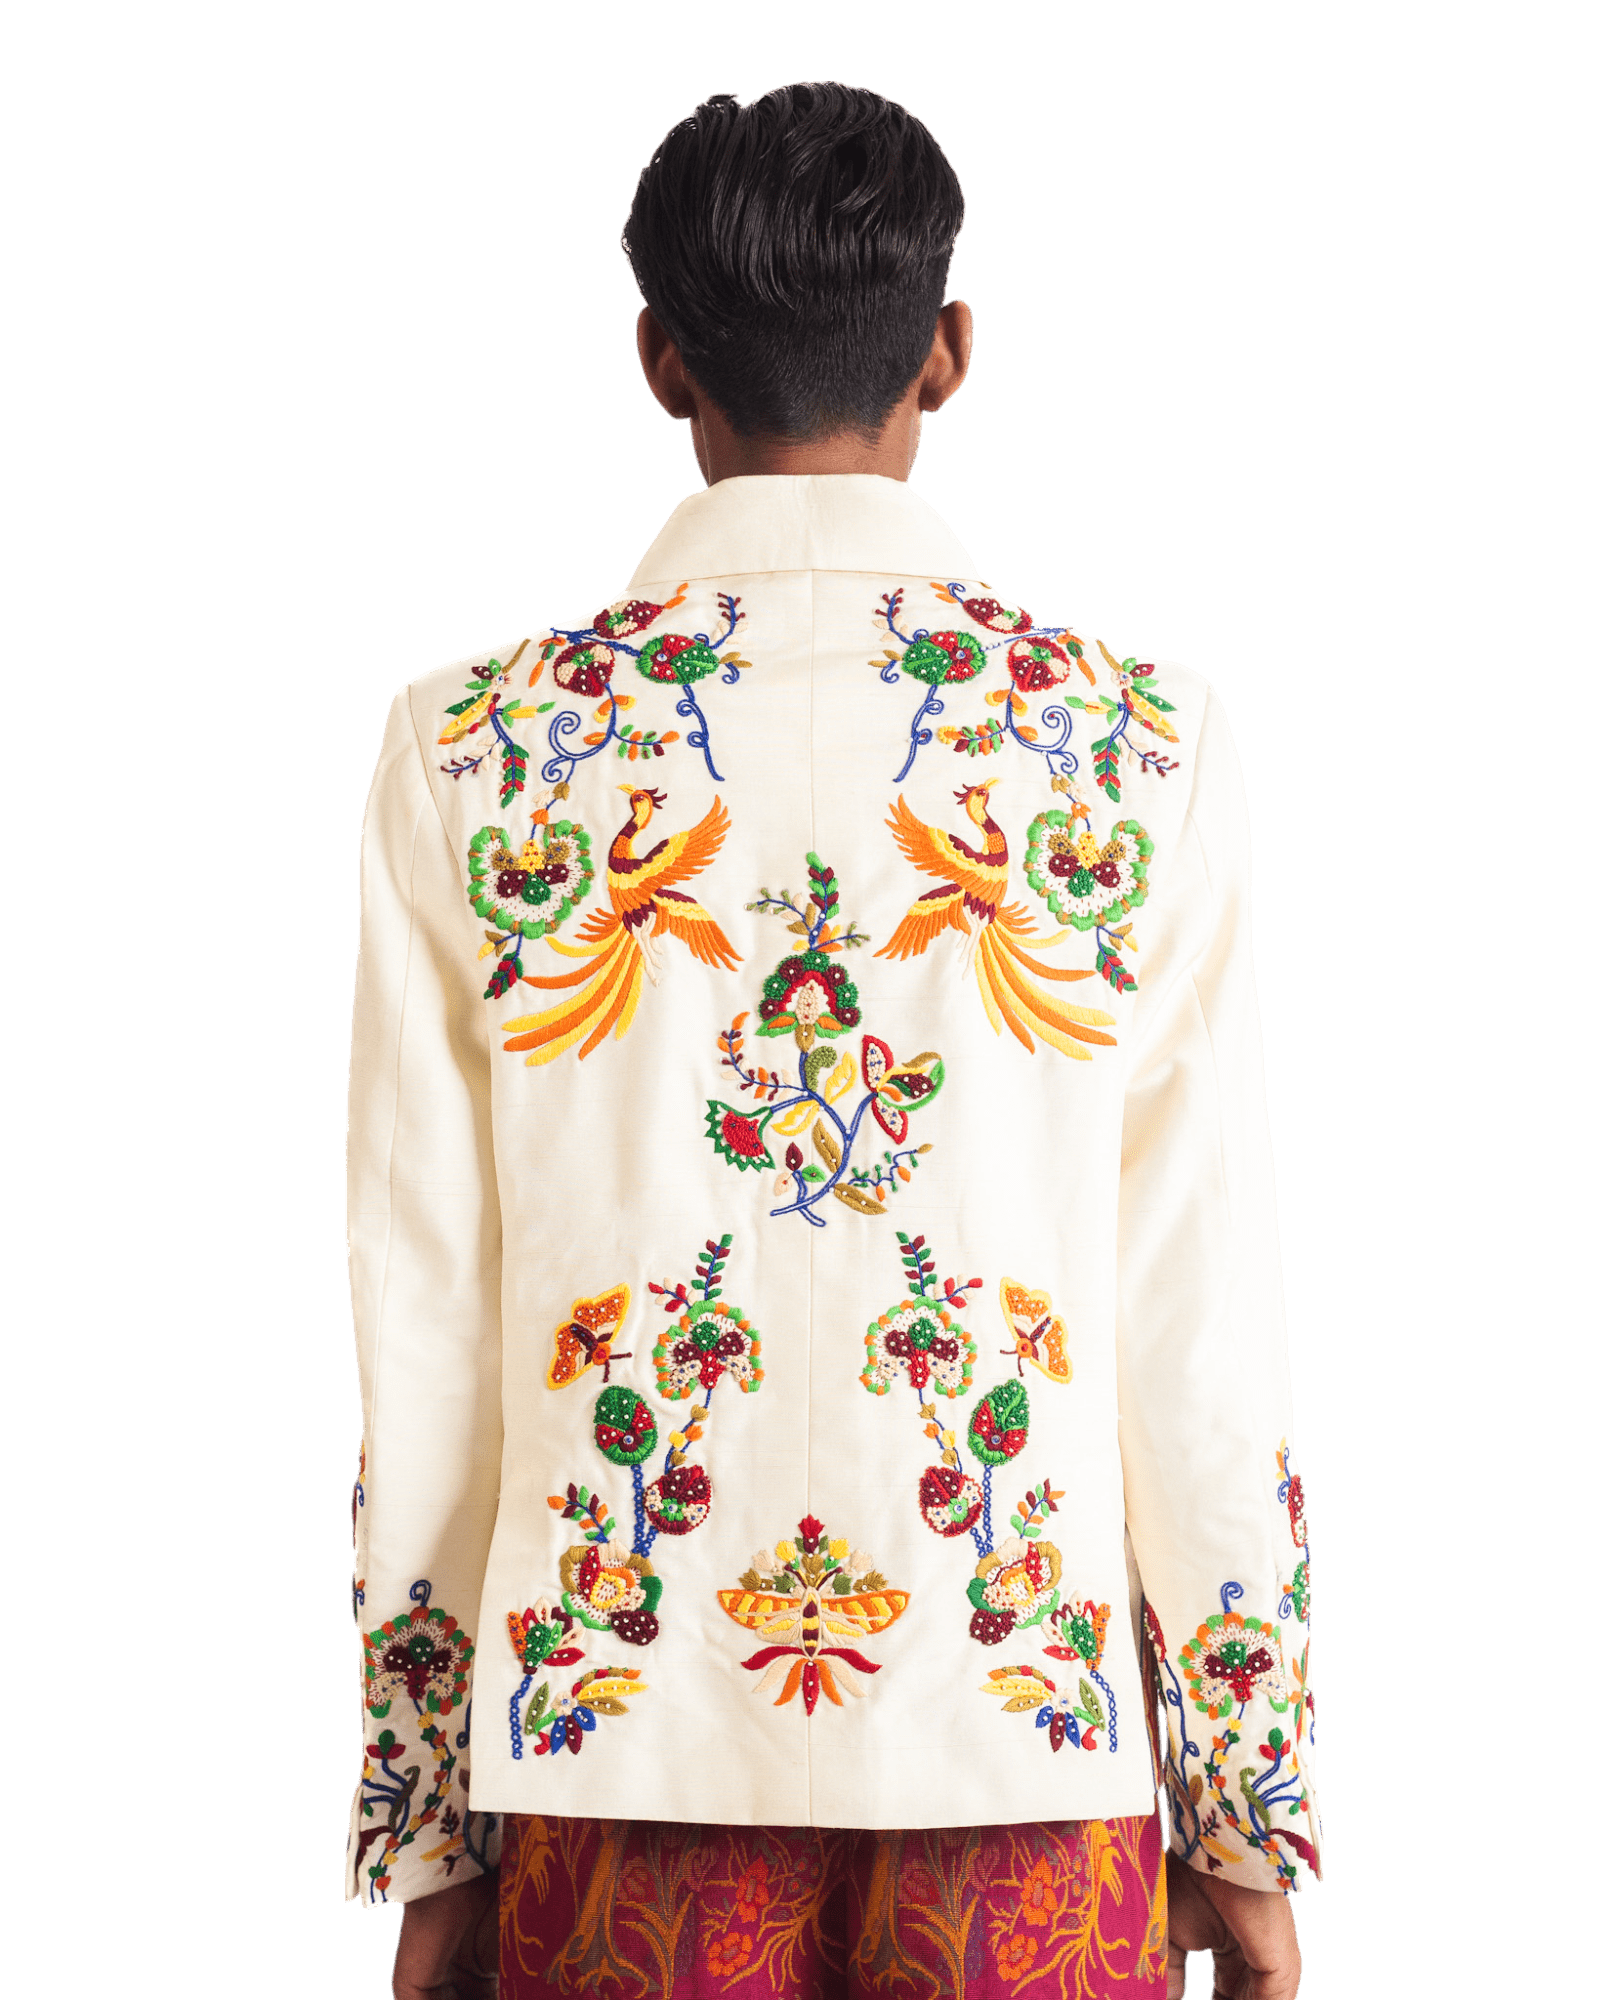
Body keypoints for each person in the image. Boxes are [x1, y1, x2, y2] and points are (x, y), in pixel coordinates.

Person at [345, 83, 1319, 2000]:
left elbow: (429, 1317)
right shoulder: (1135, 743)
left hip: (608, 1739)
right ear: (944, 351)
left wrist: (425, 1824)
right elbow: (1197, 1307)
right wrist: (1241, 1807)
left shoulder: (471, 744)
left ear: (659, 360)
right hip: (1030, 1735)